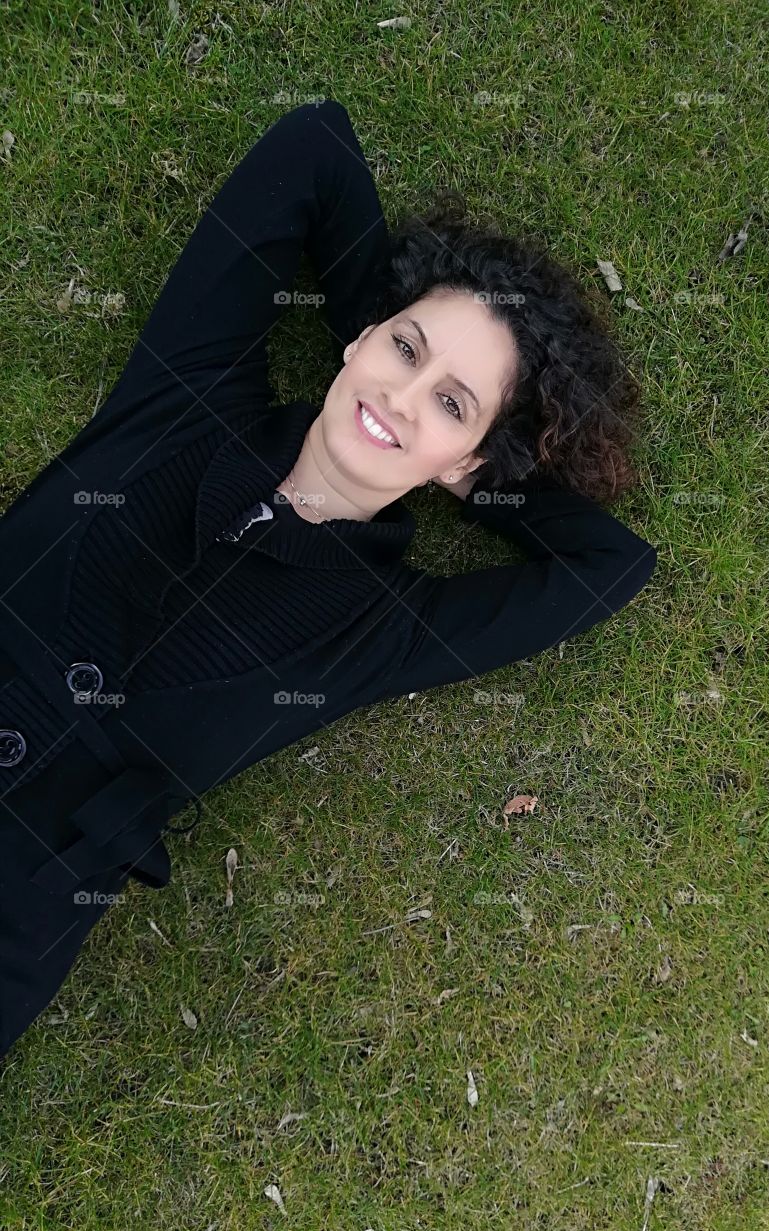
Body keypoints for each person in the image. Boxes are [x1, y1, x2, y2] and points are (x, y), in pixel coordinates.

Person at [0, 99, 657, 1060]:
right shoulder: (187, 395)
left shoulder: (381, 632)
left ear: (468, 459)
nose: (399, 391)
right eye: (404, 346)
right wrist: (383, 354)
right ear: (358, 336)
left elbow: (611, 567)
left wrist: (471, 471)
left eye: (450, 402)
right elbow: (315, 149)